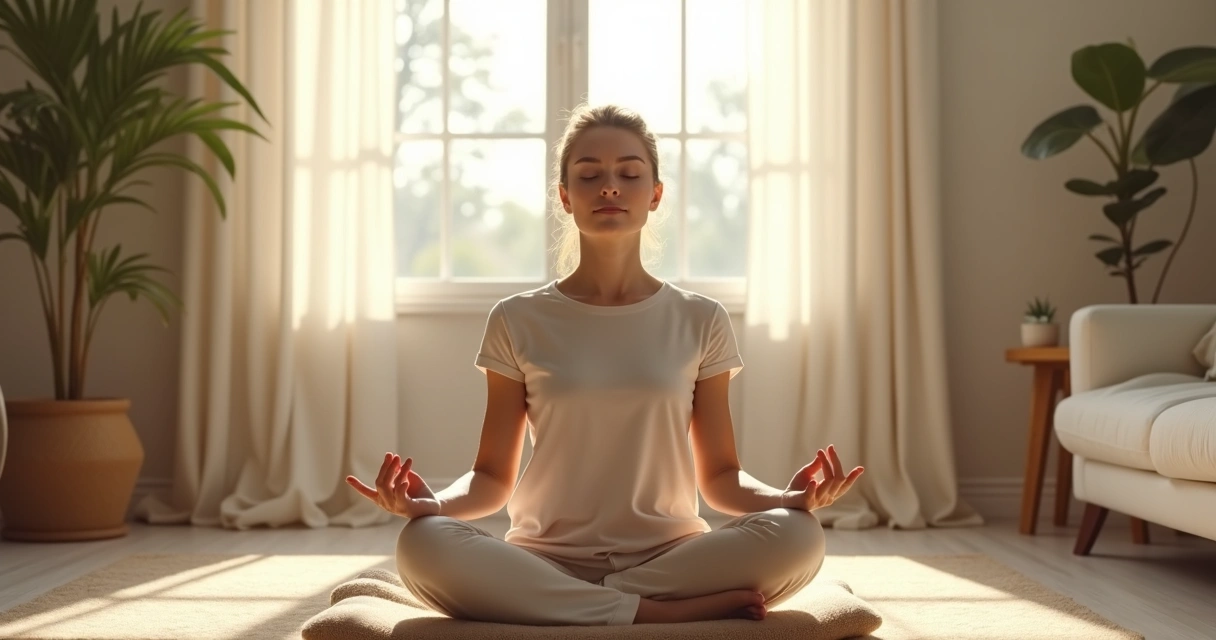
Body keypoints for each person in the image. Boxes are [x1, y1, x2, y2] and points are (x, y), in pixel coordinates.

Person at [347, 103, 864, 627]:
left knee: (799, 534)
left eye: (630, 174)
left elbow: (722, 478)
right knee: (422, 543)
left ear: (655, 194)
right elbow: (489, 479)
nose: (610, 187)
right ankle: (650, 613)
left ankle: (579, 604)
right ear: (566, 198)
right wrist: (430, 507)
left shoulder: (700, 318)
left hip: (669, 559)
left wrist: (788, 497)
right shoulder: (516, 318)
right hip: (543, 555)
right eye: (590, 175)